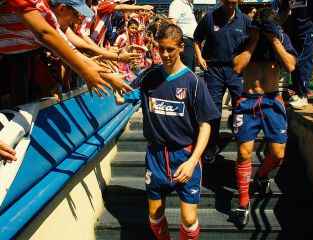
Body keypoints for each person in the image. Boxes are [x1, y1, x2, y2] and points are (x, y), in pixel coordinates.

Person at [116, 24, 220, 239]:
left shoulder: (194, 82)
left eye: (170, 49)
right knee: (154, 213)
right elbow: (123, 94)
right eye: (161, 48)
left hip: (185, 155)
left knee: (189, 219)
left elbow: (205, 125)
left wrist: (192, 161)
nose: (164, 54)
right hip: (155, 155)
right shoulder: (149, 76)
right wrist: (110, 69)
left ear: (181, 47)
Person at [231, 8, 297, 227]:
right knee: (243, 152)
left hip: (272, 100)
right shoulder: (245, 39)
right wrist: (255, 39)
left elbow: (290, 65)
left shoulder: (280, 37)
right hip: (247, 101)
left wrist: (273, 39)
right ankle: (243, 201)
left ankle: (260, 175)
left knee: (278, 154)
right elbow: (237, 67)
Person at [0, 0, 129, 97]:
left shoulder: (52, 23)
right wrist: (86, 72)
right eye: (75, 14)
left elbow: (73, 52)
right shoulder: (42, 12)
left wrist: (110, 77)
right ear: (62, 9)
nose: (79, 19)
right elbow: (44, 33)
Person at [193, 0, 252, 163]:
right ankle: (211, 146)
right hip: (214, 70)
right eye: (227, 3)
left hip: (236, 71)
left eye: (233, 3)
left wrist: (246, 58)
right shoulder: (210, 18)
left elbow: (254, 41)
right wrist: (199, 57)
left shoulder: (245, 20)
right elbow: (196, 39)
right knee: (213, 109)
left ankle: (241, 138)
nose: (230, 6)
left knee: (240, 107)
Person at [277, 0, 313, 109]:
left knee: (304, 60)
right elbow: (284, 9)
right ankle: (297, 92)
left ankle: (303, 95)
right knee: (294, 60)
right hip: (293, 29)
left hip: (309, 29)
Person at [168, 0, 198, 71]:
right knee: (186, 69)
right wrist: (179, 40)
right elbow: (172, 23)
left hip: (191, 41)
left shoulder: (189, 5)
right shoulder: (177, 3)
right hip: (184, 40)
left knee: (190, 68)